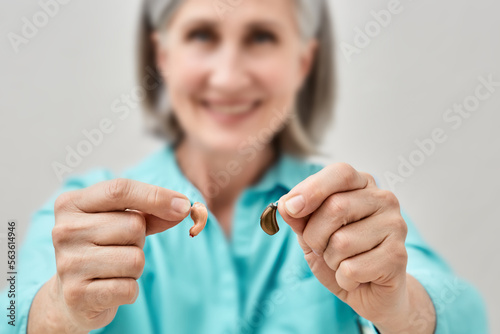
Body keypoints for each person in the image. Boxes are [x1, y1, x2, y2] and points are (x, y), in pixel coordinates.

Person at [1, 0, 488, 333]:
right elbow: (10, 313)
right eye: (202, 35)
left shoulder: (348, 211)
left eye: (261, 36)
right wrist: (55, 314)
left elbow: (466, 313)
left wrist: (400, 307)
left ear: (302, 63)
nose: (230, 75)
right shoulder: (84, 215)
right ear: (163, 56)